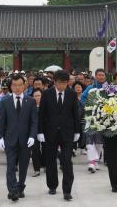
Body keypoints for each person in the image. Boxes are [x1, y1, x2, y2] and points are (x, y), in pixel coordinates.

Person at [38, 70, 80, 201]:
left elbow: (75, 114)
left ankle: (67, 190)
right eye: (60, 83)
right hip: (50, 132)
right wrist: (40, 132)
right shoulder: (46, 94)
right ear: (54, 82)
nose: (62, 86)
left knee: (67, 161)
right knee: (50, 160)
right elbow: (41, 115)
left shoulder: (72, 94)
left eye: (65, 83)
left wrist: (78, 131)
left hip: (67, 132)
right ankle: (52, 185)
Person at [0, 74, 38, 202]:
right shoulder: (5, 101)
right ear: (11, 86)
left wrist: (32, 136)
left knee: (24, 166)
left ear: (24, 85)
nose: (18, 88)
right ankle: (13, 190)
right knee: (10, 166)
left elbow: (34, 122)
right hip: (10, 138)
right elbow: (1, 121)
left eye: (20, 85)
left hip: (26, 140)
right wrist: (0, 137)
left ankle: (20, 187)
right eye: (15, 85)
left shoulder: (30, 101)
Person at [81, 69, 107, 173]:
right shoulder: (90, 88)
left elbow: (114, 99)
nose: (101, 77)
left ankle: (95, 161)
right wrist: (87, 107)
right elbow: (83, 98)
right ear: (95, 76)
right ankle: (91, 162)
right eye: (99, 75)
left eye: (102, 75)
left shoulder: (108, 88)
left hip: (103, 119)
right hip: (90, 118)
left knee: (99, 142)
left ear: (105, 77)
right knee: (89, 140)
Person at [31, 88, 44, 177]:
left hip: (44, 131)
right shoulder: (30, 107)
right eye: (35, 96)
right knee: (35, 150)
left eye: (38, 95)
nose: (37, 97)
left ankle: (45, 164)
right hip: (34, 131)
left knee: (46, 149)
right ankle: (36, 169)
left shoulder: (46, 106)